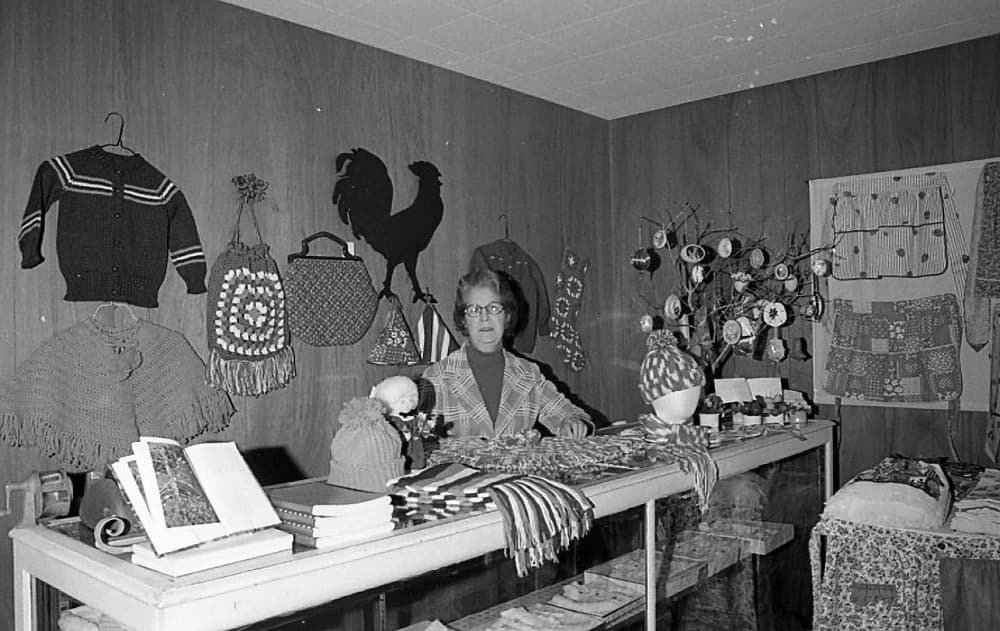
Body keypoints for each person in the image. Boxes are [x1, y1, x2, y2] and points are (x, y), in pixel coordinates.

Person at [421, 268, 591, 438]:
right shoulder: (437, 377)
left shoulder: (529, 374)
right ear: (463, 320)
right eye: (474, 310)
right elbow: (421, 443)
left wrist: (573, 423)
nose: (485, 317)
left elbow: (569, 414)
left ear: (507, 315)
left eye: (494, 308)